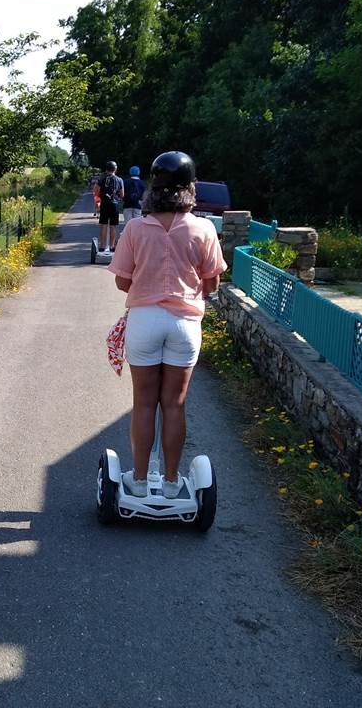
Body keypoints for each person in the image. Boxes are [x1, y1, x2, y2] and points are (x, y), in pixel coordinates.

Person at [107, 151, 227, 499]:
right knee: (174, 404)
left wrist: (146, 285)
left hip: (144, 321)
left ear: (152, 187)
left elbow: (122, 282)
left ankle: (140, 480)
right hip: (185, 322)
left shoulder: (135, 228)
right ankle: (173, 483)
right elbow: (213, 284)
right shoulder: (203, 228)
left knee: (144, 403)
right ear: (190, 187)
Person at [92, 161, 124, 251]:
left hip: (105, 204)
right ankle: (112, 246)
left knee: (103, 224)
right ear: (115, 169)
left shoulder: (101, 179)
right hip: (115, 204)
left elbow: (95, 191)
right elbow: (122, 194)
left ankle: (102, 246)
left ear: (106, 169)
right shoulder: (119, 180)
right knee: (113, 226)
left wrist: (98, 199)